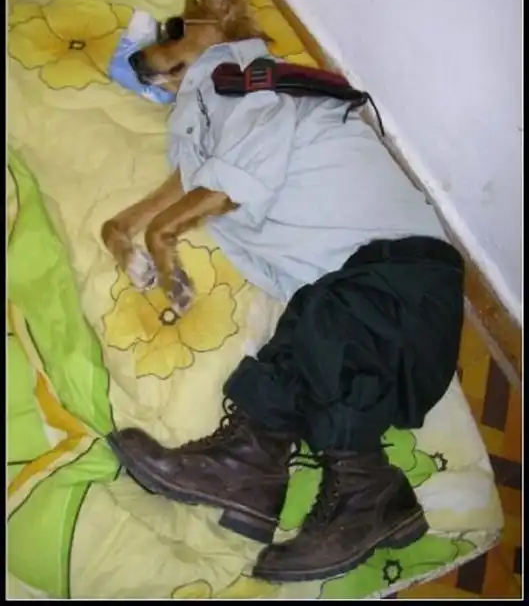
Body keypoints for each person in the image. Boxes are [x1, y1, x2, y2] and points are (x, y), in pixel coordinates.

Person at [107, 235, 464, 583]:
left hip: (424, 286)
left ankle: (364, 487)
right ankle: (250, 460)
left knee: (335, 315)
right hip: (372, 281)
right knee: (311, 320)